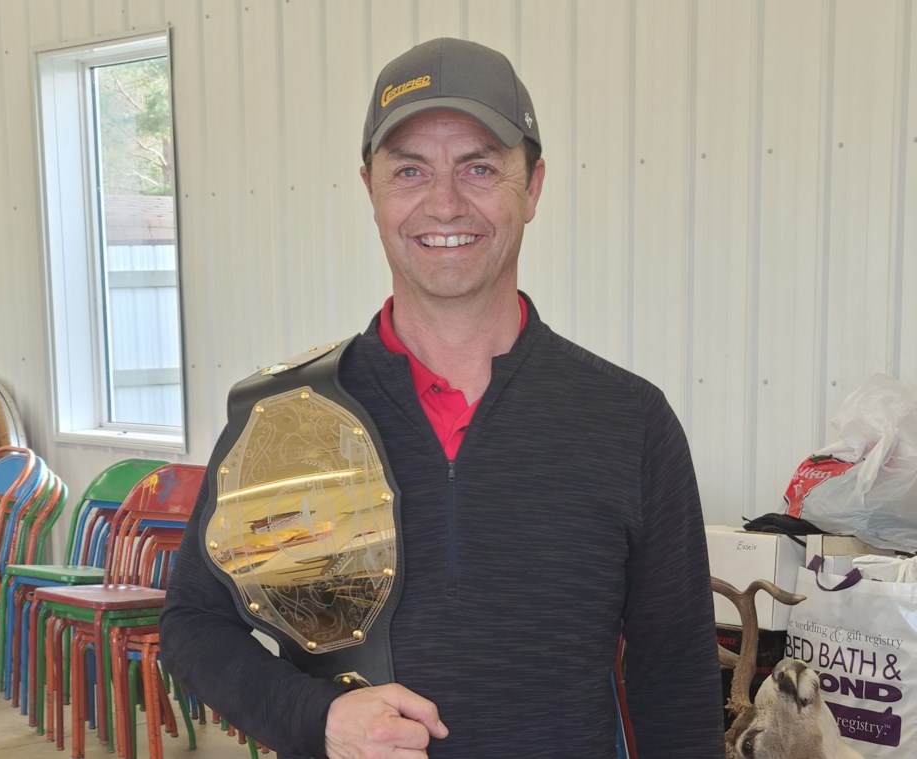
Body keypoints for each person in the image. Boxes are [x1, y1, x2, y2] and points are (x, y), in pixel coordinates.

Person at [160, 37, 725, 758]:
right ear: (370, 188)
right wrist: (317, 717)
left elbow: (674, 676)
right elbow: (194, 622)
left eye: (480, 167)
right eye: (410, 170)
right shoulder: (288, 419)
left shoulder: (629, 422)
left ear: (534, 185)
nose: (445, 203)